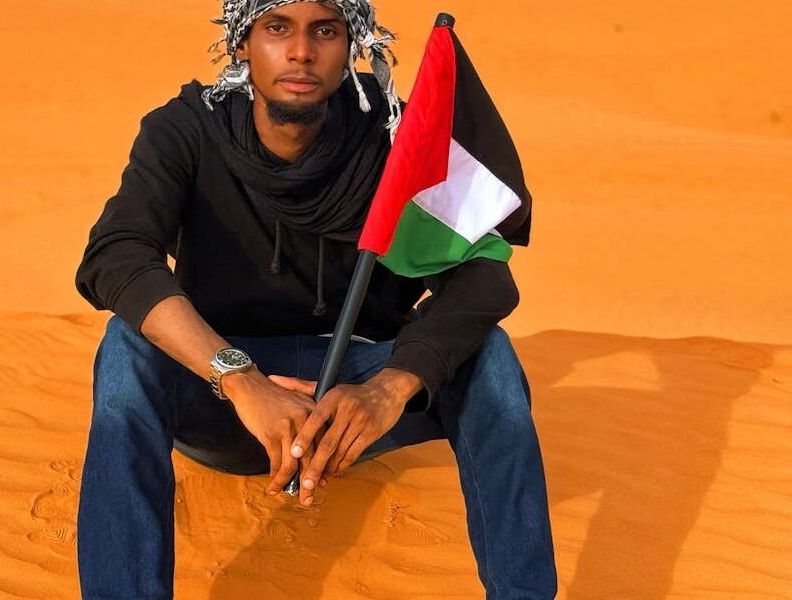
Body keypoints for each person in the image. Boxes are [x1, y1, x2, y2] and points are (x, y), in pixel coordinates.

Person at [73, 1, 557, 598]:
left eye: (324, 31)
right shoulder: (185, 129)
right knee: (126, 347)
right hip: (228, 395)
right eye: (277, 29)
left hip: (359, 398)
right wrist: (243, 380)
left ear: (351, 46)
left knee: (492, 357)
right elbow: (116, 256)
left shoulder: (400, 137)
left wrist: (390, 387)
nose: (301, 51)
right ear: (241, 45)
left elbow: (486, 275)